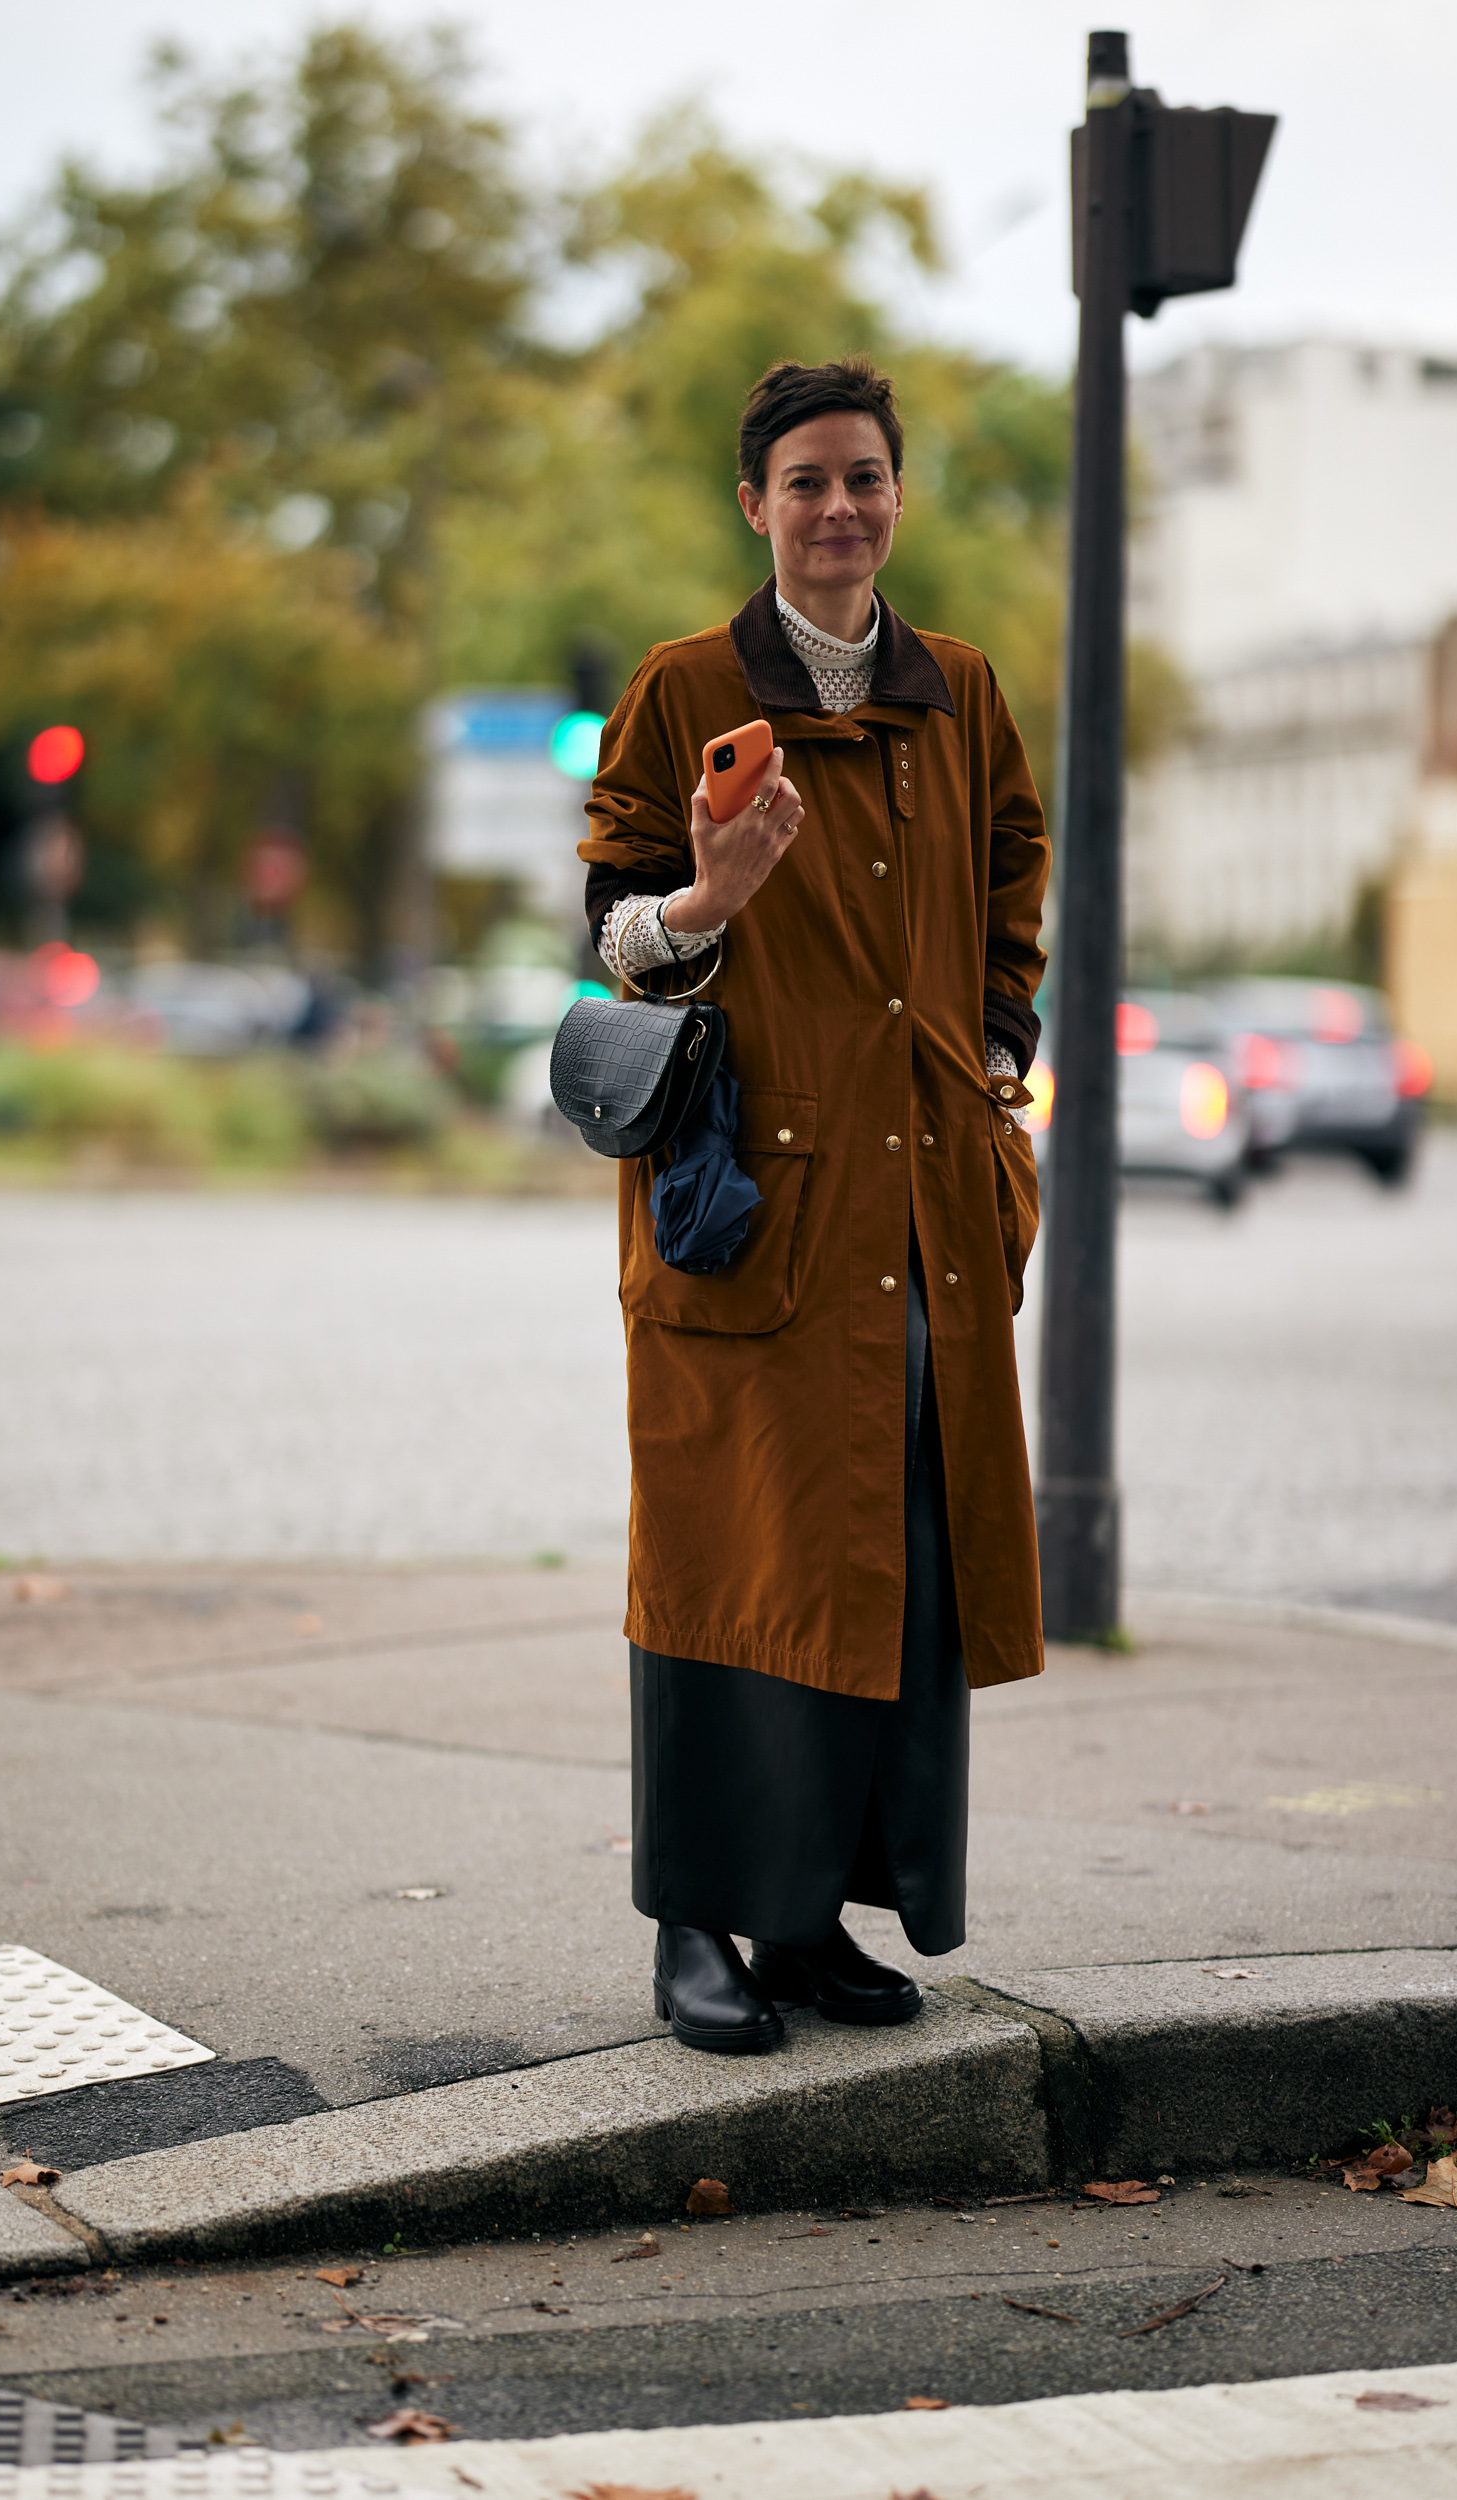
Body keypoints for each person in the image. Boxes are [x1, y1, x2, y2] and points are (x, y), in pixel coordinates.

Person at [580, 355, 1050, 2054]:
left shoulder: (964, 692)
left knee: (894, 1565)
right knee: (731, 1557)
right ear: (755, 505)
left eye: (865, 477)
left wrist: (994, 1048)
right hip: (744, 1212)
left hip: (922, 1214)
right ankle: (696, 1929)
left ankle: (816, 1927)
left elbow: (1013, 893)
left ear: (896, 496)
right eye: (806, 482)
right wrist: (710, 891)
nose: (839, 507)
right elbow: (615, 936)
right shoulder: (685, 688)